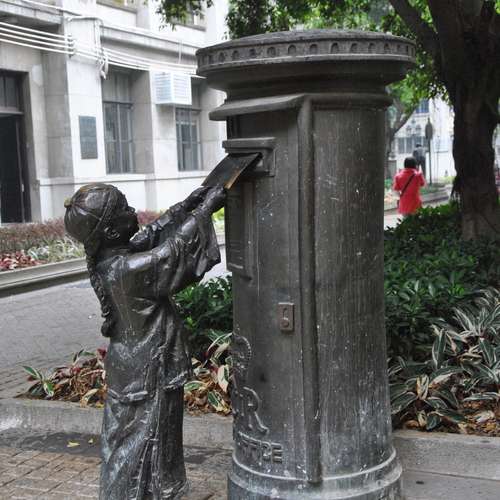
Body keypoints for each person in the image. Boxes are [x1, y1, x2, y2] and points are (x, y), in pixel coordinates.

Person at [64, 183, 225, 500]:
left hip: (135, 367)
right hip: (149, 368)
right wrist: (206, 210)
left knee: (138, 437)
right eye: (125, 209)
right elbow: (171, 253)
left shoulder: (112, 259)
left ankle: (149, 492)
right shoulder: (128, 270)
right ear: (111, 231)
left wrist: (185, 206)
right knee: (149, 438)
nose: (133, 211)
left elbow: (152, 234)